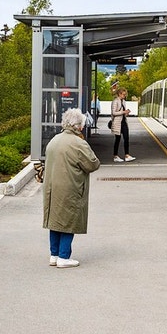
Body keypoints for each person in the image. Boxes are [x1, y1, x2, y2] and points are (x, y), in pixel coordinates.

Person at [44, 107, 102, 267]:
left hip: (51, 187)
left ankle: (54, 255)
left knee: (55, 220)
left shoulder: (54, 140)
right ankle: (64, 257)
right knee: (69, 220)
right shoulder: (78, 143)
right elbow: (93, 164)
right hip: (70, 187)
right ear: (79, 126)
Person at [109, 87, 135, 163]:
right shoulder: (115, 101)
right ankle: (115, 156)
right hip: (117, 123)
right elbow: (113, 113)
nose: (125, 96)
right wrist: (123, 112)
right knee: (118, 139)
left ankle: (127, 155)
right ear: (119, 94)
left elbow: (122, 112)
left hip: (123, 122)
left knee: (126, 138)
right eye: (123, 94)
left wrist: (126, 113)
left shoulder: (123, 101)